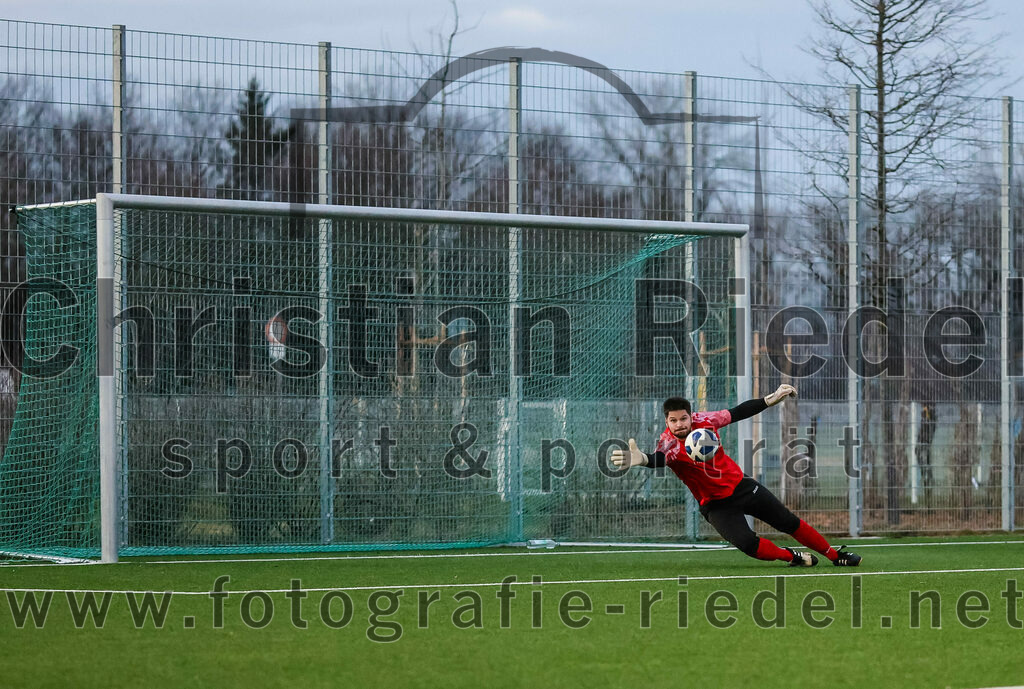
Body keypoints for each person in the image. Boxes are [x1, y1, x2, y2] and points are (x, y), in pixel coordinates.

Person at [611, 385, 862, 567]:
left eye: (683, 418)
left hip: (741, 486)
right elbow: (657, 459)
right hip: (715, 504)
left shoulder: (705, 421)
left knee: (788, 521)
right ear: (667, 421)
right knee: (747, 544)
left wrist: (769, 400)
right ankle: (791, 556)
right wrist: (641, 459)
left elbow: (738, 412)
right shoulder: (668, 445)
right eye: (673, 420)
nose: (679, 425)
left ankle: (835, 555)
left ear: (690, 415)